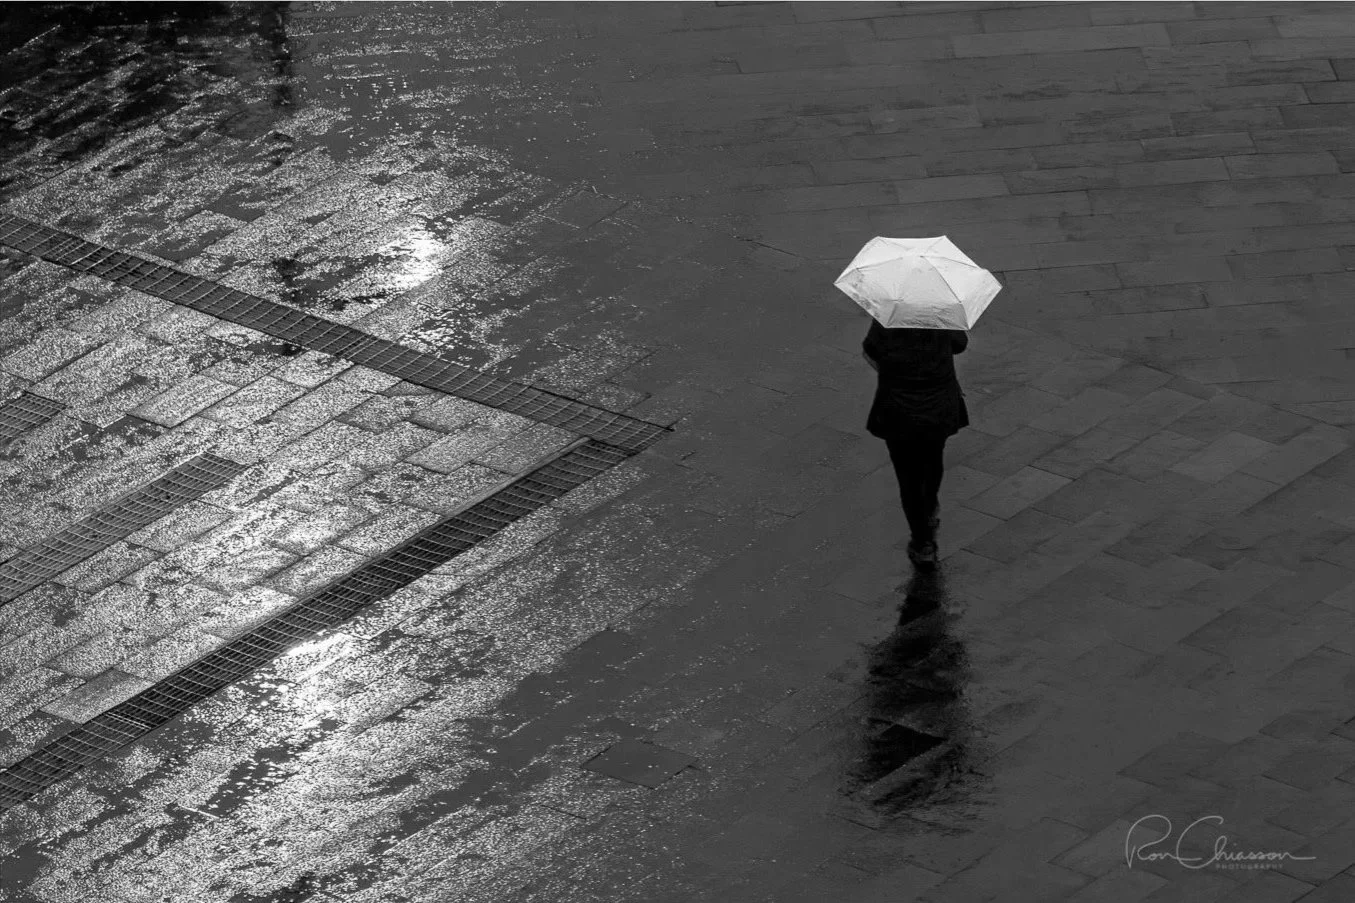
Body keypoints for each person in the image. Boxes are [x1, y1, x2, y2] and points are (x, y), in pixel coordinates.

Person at [862, 319, 969, 569]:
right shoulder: (941, 316)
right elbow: (960, 344)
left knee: (907, 478)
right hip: (937, 408)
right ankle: (929, 506)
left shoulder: (888, 320)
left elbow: (871, 349)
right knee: (933, 461)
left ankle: (922, 543)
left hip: (898, 410)